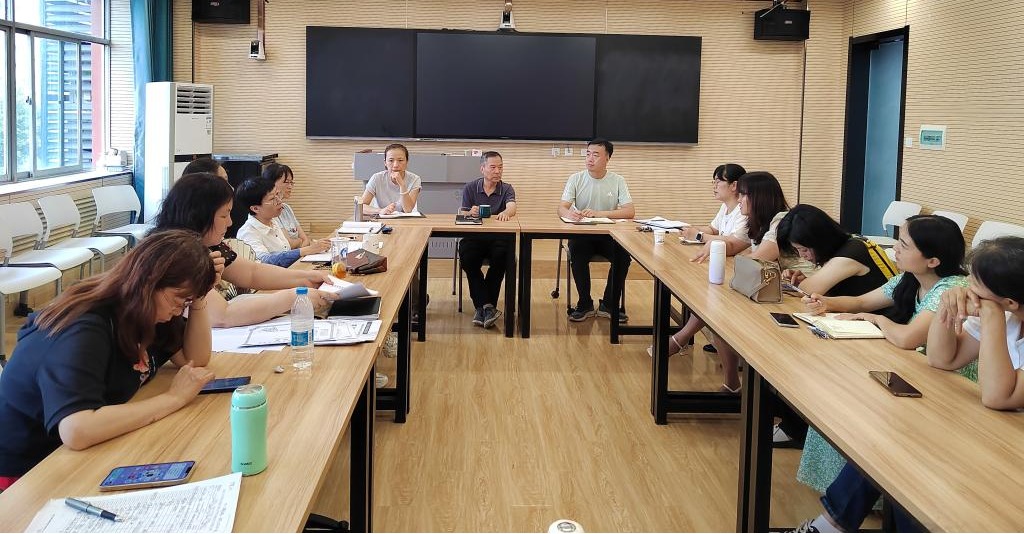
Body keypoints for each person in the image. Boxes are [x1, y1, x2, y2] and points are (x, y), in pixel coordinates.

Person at [792, 236, 1024, 534]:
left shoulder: (996, 313)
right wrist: (947, 305)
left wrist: (992, 317)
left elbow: (997, 396)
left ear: (1010, 303)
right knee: (895, 438)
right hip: (994, 429)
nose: (967, 290)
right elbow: (942, 359)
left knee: (915, 460)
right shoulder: (1003, 311)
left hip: (1010, 452)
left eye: (975, 286)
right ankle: (829, 526)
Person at [0, 230, 218, 490]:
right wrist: (174, 398)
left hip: (82, 450)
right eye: (178, 299)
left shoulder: (147, 311)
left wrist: (198, 296)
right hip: (27, 472)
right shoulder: (84, 327)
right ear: (150, 281)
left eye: (186, 302)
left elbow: (195, 358)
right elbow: (77, 429)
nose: (177, 310)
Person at [795, 214, 968, 498]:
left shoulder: (950, 289)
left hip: (945, 382)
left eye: (904, 245)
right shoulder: (909, 279)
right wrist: (825, 303)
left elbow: (908, 337)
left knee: (855, 408)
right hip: (914, 369)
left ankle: (868, 496)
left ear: (933, 261)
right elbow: (861, 301)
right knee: (838, 398)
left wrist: (876, 319)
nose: (895, 249)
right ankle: (846, 493)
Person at [770, 204, 898, 448]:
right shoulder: (850, 244)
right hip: (859, 324)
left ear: (819, 239)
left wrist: (803, 284)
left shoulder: (851, 254)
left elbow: (811, 290)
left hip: (877, 334)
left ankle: (797, 427)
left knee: (796, 353)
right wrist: (803, 280)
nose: (803, 257)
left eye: (803, 249)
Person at [154, 173, 338, 328]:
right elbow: (222, 316)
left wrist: (306, 278)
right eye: (224, 215)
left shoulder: (209, 244)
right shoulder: (177, 254)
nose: (230, 223)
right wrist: (294, 297)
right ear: (199, 216)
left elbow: (251, 273)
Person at [699, 171, 790, 392]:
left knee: (719, 310)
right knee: (716, 309)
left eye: (742, 195)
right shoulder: (756, 221)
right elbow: (743, 253)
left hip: (792, 295)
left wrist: (734, 252)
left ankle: (740, 385)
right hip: (771, 289)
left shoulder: (780, 221)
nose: (738, 199)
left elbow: (756, 258)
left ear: (758, 197)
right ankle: (732, 383)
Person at [648, 163, 749, 357]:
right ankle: (688, 339)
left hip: (735, 269)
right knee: (701, 291)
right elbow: (714, 229)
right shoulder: (725, 207)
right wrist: (689, 228)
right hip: (725, 265)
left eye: (718, 181)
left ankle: (681, 339)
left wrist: (698, 236)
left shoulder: (743, 210)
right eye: (713, 182)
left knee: (708, 298)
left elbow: (733, 244)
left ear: (734, 185)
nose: (714, 186)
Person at [558, 138, 635, 322]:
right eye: (588, 154)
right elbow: (561, 208)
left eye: (596, 155)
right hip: (582, 234)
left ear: (607, 158)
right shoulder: (576, 178)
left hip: (609, 235)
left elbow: (629, 211)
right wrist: (570, 214)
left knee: (623, 257)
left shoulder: (617, 180)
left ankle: (609, 304)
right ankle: (584, 303)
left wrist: (599, 213)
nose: (590, 159)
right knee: (577, 254)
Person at [458, 151, 517, 329]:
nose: (497, 171)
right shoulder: (470, 187)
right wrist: (470, 212)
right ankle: (487, 307)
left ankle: (482, 307)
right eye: (493, 167)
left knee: (503, 258)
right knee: (468, 259)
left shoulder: (507, 188)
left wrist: (506, 213)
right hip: (474, 237)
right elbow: (462, 212)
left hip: (498, 238)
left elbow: (512, 207)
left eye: (500, 167)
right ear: (482, 168)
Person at [234, 177, 329, 267]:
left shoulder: (273, 221)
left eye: (277, 195)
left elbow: (286, 251)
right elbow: (265, 262)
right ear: (255, 208)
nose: (279, 201)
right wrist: (306, 250)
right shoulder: (247, 233)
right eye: (272, 199)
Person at [361, 143, 421, 215]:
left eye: (400, 160)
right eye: (391, 160)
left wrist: (402, 185)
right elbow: (361, 207)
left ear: (407, 162)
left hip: (405, 219)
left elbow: (408, 210)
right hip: (382, 219)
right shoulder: (376, 178)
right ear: (385, 163)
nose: (395, 165)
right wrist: (380, 211)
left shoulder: (415, 179)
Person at [262, 163, 311, 246]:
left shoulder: (287, 208)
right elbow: (288, 244)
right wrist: (300, 242)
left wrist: (300, 243)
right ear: (271, 183)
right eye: (287, 182)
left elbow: (305, 239)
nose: (290, 186)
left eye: (291, 183)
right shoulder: (269, 212)